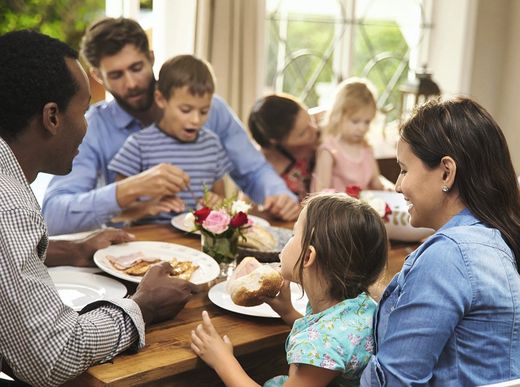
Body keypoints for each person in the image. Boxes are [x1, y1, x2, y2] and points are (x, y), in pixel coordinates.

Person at [0, 30, 200, 386]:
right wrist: (144, 306)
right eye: (83, 110)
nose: (87, 125)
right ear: (52, 117)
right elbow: (54, 355)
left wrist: (73, 250)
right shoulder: (11, 205)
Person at [360, 98, 520, 386]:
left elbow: (392, 382)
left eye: (404, 170)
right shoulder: (498, 238)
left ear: (446, 172)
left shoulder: (448, 256)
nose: (398, 185)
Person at [42, 17, 299, 235]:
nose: (131, 83)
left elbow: (253, 171)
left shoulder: (211, 110)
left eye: (136, 67)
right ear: (98, 76)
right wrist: (127, 190)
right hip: (133, 250)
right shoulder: (94, 126)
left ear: (151, 58)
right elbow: (52, 215)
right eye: (117, 75)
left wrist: (279, 196)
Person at [190, 193, 388, 386]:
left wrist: (222, 360)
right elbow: (326, 332)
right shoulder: (360, 304)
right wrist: (288, 312)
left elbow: (323, 343)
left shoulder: (322, 345)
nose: (287, 242)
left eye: (294, 235)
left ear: (308, 257)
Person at [108, 55, 228, 224]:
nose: (196, 120)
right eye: (186, 110)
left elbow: (222, 198)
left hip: (196, 242)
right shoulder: (139, 145)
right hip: (151, 241)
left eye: (204, 111)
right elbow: (115, 212)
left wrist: (217, 203)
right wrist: (148, 207)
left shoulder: (212, 144)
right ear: (161, 99)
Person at [311, 78, 392, 192]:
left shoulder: (366, 148)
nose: (362, 128)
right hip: (336, 208)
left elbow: (376, 181)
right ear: (338, 116)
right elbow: (320, 191)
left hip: (362, 207)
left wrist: (386, 187)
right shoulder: (329, 150)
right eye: (355, 121)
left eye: (367, 122)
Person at [247, 94, 319, 201]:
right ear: (276, 141)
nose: (315, 129)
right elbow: (246, 207)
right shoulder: (262, 166)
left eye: (310, 119)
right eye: (303, 133)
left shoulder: (327, 121)